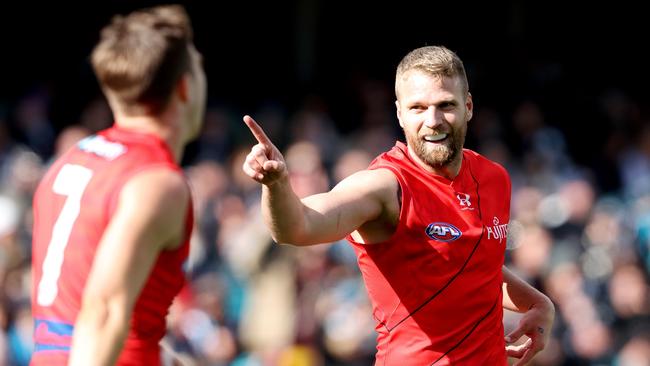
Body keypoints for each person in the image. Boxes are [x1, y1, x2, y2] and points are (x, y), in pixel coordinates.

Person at [242, 45, 555, 365]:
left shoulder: (494, 178)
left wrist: (538, 302)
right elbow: (297, 227)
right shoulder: (385, 186)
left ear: (468, 106)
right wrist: (276, 185)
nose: (433, 121)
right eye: (418, 107)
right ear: (399, 113)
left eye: (445, 105)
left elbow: (474, 265)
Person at [30, 4, 206, 365]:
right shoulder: (157, 183)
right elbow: (104, 313)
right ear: (185, 87)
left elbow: (75, 306)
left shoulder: (71, 160)